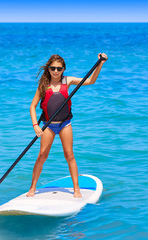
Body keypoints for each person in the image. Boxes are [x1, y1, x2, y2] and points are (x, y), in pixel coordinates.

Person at [26, 53, 108, 198]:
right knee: (42, 155)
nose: (56, 71)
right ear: (48, 69)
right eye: (53, 68)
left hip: (65, 124)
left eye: (59, 68)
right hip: (48, 126)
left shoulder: (67, 81)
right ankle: (32, 187)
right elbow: (32, 106)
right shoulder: (44, 85)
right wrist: (35, 126)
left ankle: (76, 188)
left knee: (69, 155)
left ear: (63, 69)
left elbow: (90, 81)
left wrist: (100, 63)